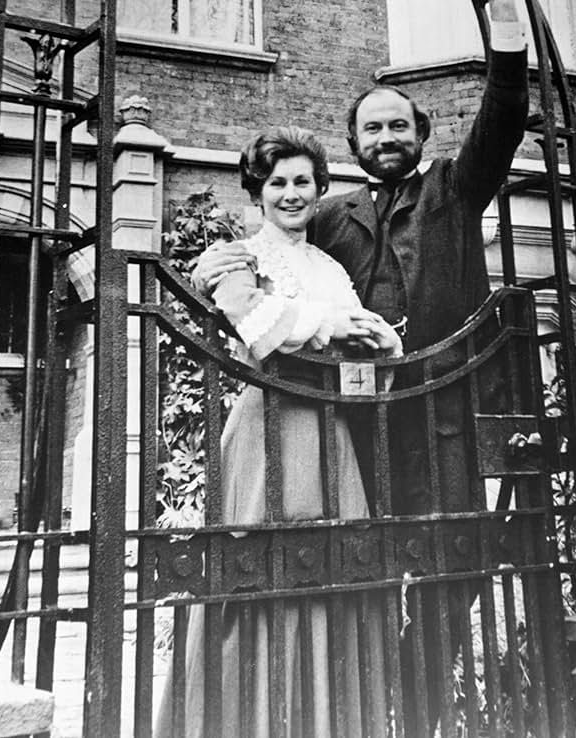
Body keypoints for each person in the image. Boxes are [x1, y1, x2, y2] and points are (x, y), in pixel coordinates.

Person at [193, 0, 530, 735]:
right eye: (371, 131)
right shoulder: (331, 218)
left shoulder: (456, 186)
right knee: (353, 571)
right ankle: (358, 705)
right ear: (354, 148)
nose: (385, 139)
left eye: (397, 127)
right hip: (354, 428)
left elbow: (506, 114)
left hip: (444, 418)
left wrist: (501, 5)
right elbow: (272, 255)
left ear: (419, 134)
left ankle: (421, 694)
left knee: (459, 564)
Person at [155, 126, 401, 738]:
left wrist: (385, 343)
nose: (291, 194)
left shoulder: (331, 267)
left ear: (320, 190)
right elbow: (259, 327)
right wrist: (331, 328)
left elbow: (362, 352)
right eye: (277, 183)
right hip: (269, 427)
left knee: (332, 571)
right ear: (258, 192)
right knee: (259, 573)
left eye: (302, 183)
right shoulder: (237, 257)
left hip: (333, 433)